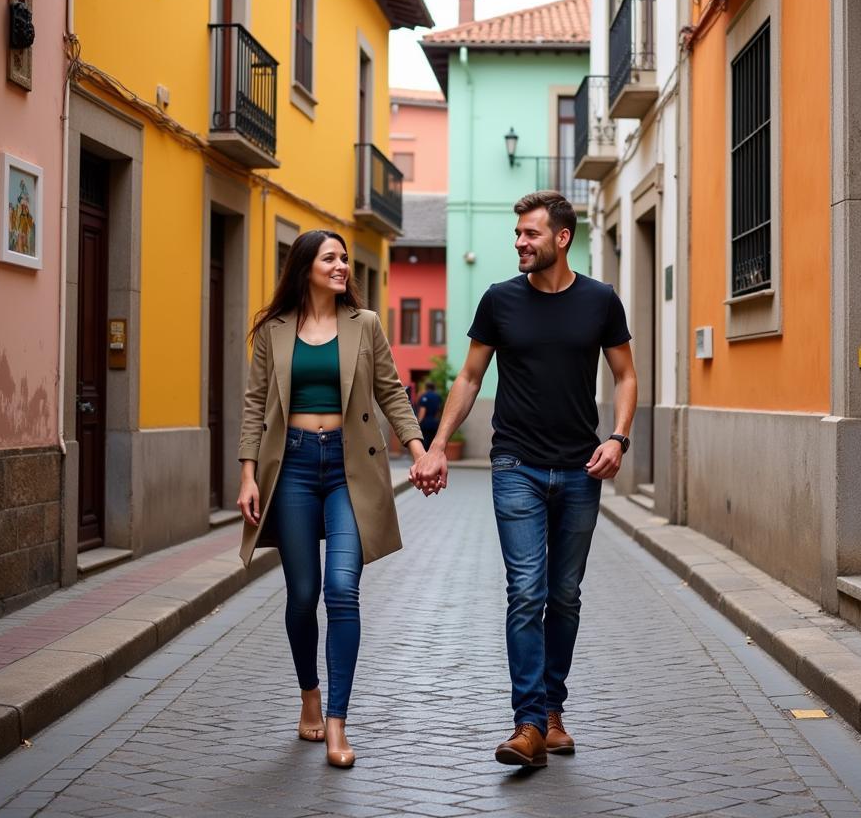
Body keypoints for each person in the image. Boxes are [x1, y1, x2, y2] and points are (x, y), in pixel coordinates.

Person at [410, 190, 637, 768]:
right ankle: (529, 724)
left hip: (581, 467)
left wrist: (618, 437)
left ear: (561, 238)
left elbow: (626, 375)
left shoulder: (600, 301)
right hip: (515, 464)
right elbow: (466, 378)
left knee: (564, 596)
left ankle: (554, 710)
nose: (519, 243)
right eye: (517, 234)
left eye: (530, 234)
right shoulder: (499, 302)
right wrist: (436, 445)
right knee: (526, 591)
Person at [237, 229, 424, 769]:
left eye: (345, 258)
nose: (342, 265)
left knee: (342, 590)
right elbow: (254, 405)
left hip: (348, 469)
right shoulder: (273, 331)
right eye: (331, 258)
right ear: (305, 267)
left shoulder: (363, 324)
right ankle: (309, 698)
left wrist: (418, 449)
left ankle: (338, 723)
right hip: (290, 467)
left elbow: (390, 390)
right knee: (302, 595)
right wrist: (249, 476)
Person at [416, 381, 442, 445]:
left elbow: (422, 411)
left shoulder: (425, 396)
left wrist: (418, 423)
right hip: (434, 423)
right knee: (432, 442)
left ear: (426, 388)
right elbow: (439, 411)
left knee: (424, 443)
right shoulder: (437, 397)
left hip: (425, 423)